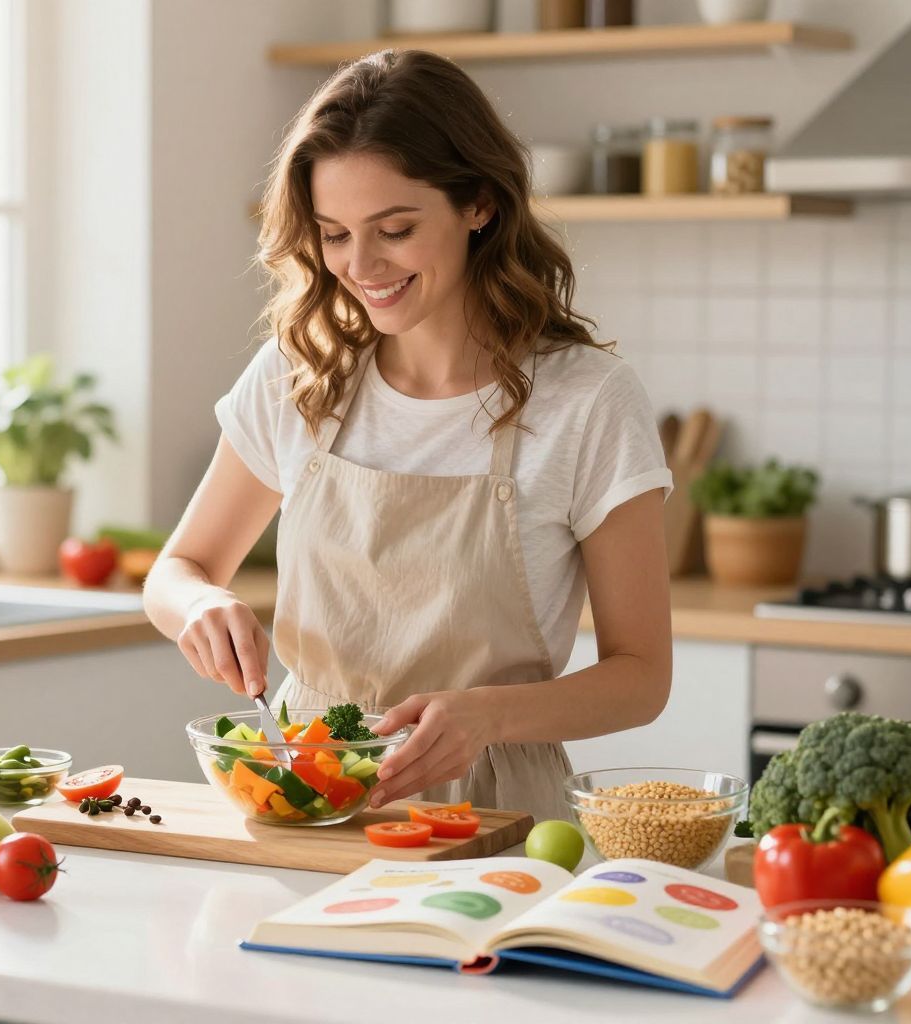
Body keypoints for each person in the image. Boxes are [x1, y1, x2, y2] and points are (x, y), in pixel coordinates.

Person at [142, 49, 672, 824]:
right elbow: (178, 568)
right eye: (333, 234)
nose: (362, 265)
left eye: (394, 229)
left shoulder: (586, 399)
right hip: (304, 792)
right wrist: (196, 605)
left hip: (489, 816)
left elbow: (641, 676)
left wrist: (488, 716)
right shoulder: (301, 371)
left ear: (479, 205)